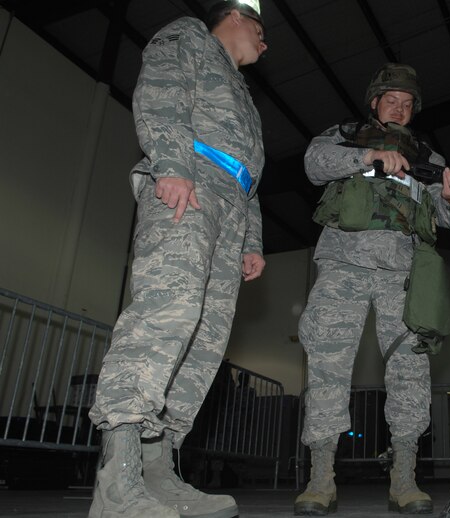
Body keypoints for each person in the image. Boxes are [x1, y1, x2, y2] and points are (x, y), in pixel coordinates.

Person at [87, 2, 268, 517]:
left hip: (230, 209)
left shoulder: (247, 99)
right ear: (234, 15)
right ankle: (117, 485)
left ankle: (159, 472)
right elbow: (161, 90)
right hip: (189, 185)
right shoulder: (190, 37)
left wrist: (251, 239)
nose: (264, 42)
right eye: (260, 29)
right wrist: (170, 162)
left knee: (203, 339)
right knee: (166, 314)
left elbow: (250, 176)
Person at [295, 63, 450, 515]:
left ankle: (405, 479)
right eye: (392, 99)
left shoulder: (425, 156)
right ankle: (320, 478)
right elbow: (314, 164)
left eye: (408, 104)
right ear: (374, 102)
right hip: (343, 265)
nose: (400, 108)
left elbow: (445, 219)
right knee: (328, 364)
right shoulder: (346, 133)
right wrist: (365, 157)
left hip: (402, 274)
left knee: (410, 371)